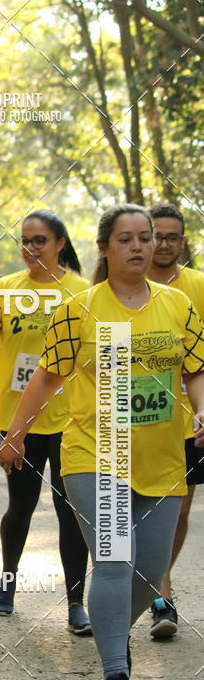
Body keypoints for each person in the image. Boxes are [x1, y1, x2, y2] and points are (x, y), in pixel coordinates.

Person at [0, 203, 204, 680]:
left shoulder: (178, 305)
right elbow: (46, 377)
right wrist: (15, 436)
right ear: (105, 248)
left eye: (146, 237)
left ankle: (115, 634)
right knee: (114, 561)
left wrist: (202, 411)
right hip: (97, 454)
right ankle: (116, 675)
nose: (140, 246)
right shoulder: (80, 308)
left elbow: (196, 371)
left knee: (149, 570)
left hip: (160, 459)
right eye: (127, 239)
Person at [0, 210, 90, 634]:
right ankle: (7, 582)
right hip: (18, 420)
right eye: (25, 241)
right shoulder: (4, 289)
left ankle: (76, 602)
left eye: (39, 240)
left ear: (60, 243)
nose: (30, 249)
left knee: (70, 510)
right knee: (19, 507)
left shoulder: (83, 291)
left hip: (70, 420)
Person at [146, 203, 204, 638]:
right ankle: (131, 584)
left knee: (178, 503)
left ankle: (161, 591)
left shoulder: (197, 286)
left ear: (182, 241)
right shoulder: (123, 284)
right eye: (156, 235)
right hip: (126, 420)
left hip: (185, 418)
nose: (163, 244)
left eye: (172, 237)